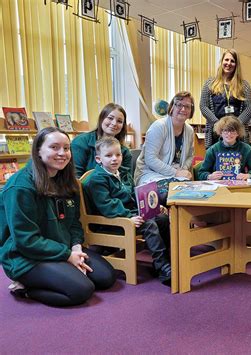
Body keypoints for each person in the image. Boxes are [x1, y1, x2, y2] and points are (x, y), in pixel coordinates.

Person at [0, 127, 116, 307]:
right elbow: (26, 240)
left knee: (106, 277)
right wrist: (68, 255)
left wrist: (76, 248)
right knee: (81, 290)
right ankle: (25, 289)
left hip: (60, 249)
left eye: (66, 148)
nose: (62, 153)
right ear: (38, 150)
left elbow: (74, 223)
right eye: (54, 147)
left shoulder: (67, 182)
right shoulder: (20, 187)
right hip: (25, 257)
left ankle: (56, 273)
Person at [82, 137, 171, 285]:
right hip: (112, 221)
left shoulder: (123, 173)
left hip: (129, 215)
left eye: (118, 155)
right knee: (148, 223)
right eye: (109, 156)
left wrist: (153, 208)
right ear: (99, 159)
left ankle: (164, 260)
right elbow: (108, 206)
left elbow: (133, 196)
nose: (114, 159)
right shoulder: (97, 180)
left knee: (161, 217)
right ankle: (163, 267)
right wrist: (129, 217)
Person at [134, 91, 195, 203]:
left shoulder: (190, 130)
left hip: (176, 176)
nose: (183, 109)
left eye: (187, 106)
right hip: (151, 173)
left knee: (192, 192)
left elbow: (190, 156)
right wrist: (176, 172)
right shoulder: (159, 127)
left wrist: (183, 170)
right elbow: (150, 159)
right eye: (179, 105)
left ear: (191, 110)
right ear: (172, 107)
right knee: (169, 193)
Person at [200, 49, 251, 148]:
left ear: (236, 65)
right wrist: (218, 125)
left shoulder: (243, 85)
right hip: (215, 133)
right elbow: (203, 106)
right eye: (226, 60)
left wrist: (234, 126)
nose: (229, 63)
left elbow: (249, 108)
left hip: (238, 134)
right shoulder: (210, 83)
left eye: (232, 61)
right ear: (222, 62)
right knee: (215, 161)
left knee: (237, 162)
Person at [71, 103, 132, 184]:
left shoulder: (125, 152)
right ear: (101, 119)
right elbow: (76, 178)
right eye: (110, 118)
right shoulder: (80, 142)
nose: (114, 123)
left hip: (116, 194)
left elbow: (127, 181)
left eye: (119, 121)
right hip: (85, 192)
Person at [197, 116, 251, 181]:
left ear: (238, 133)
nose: (229, 134)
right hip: (218, 187)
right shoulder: (212, 150)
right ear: (220, 133)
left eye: (232, 131)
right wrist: (209, 176)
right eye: (225, 130)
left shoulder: (247, 149)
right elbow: (201, 173)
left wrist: (248, 175)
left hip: (239, 186)